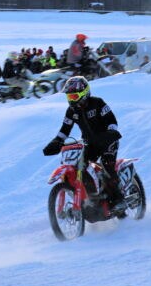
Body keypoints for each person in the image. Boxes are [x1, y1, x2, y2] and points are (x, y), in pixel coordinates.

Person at [42, 76, 125, 210]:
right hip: (90, 144)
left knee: (108, 167)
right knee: (80, 167)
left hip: (107, 141)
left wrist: (110, 132)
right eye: (69, 97)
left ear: (84, 93)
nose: (71, 100)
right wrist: (56, 142)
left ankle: (119, 199)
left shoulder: (97, 103)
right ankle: (92, 198)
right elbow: (65, 129)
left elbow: (111, 120)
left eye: (74, 96)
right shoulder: (71, 111)